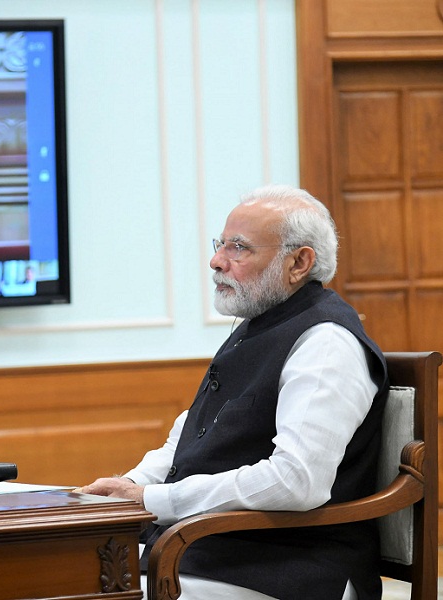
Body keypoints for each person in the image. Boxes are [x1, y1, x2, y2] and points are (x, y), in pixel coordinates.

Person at [78, 185, 388, 600]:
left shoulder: (325, 343)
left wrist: (153, 498)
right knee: (62, 575)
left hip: (291, 566)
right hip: (208, 550)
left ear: (299, 262)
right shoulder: (254, 328)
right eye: (219, 244)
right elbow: (184, 442)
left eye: (238, 248)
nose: (216, 261)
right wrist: (126, 490)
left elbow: (298, 481)